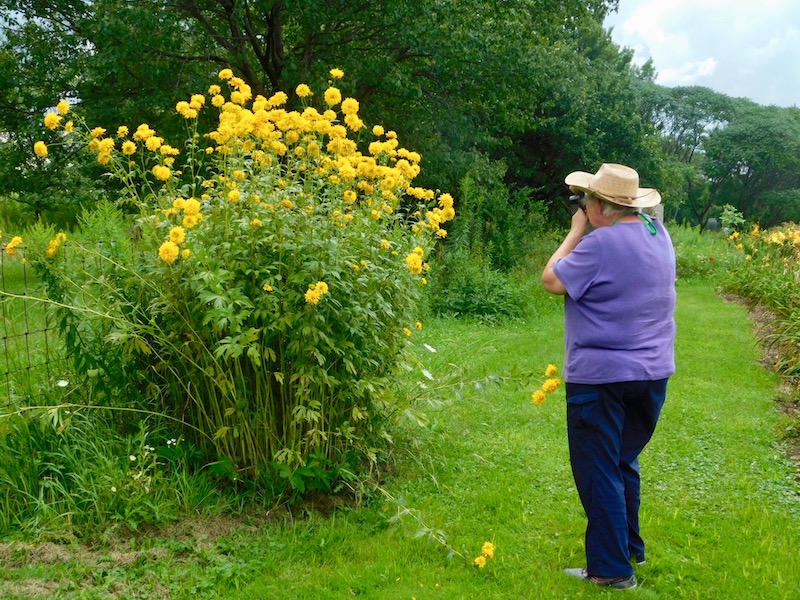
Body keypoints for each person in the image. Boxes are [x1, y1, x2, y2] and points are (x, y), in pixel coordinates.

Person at [541, 163, 676, 590]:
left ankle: (611, 570)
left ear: (600, 204)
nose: (583, 207)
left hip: (601, 378)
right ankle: (627, 548)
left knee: (599, 470)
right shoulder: (660, 236)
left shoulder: (600, 244)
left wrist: (577, 230)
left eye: (586, 201)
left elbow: (551, 280)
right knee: (621, 462)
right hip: (652, 374)